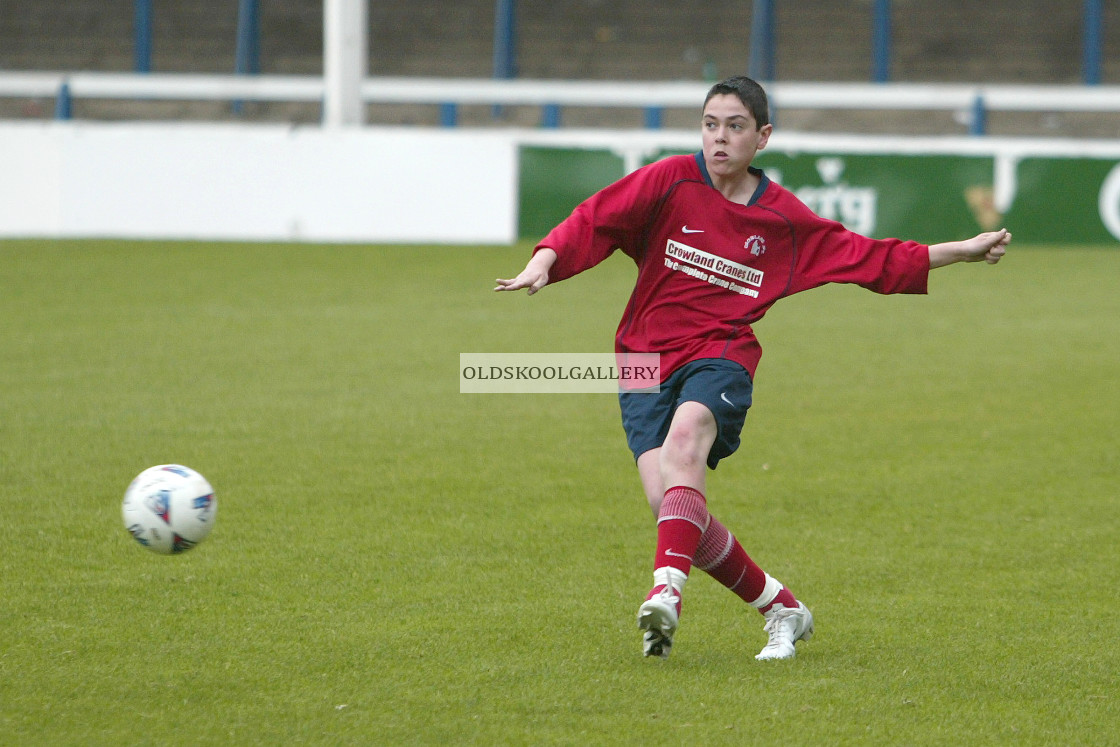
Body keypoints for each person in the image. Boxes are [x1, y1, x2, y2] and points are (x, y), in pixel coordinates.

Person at [495, 75, 1010, 661]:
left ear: (762, 137)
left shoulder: (783, 221)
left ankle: (666, 590)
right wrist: (546, 259)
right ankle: (780, 608)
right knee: (672, 506)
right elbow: (597, 218)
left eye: (735, 127)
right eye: (710, 124)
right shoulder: (669, 179)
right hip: (642, 361)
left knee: (686, 441)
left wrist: (959, 252)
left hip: (720, 355)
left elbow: (870, 259)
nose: (719, 138)